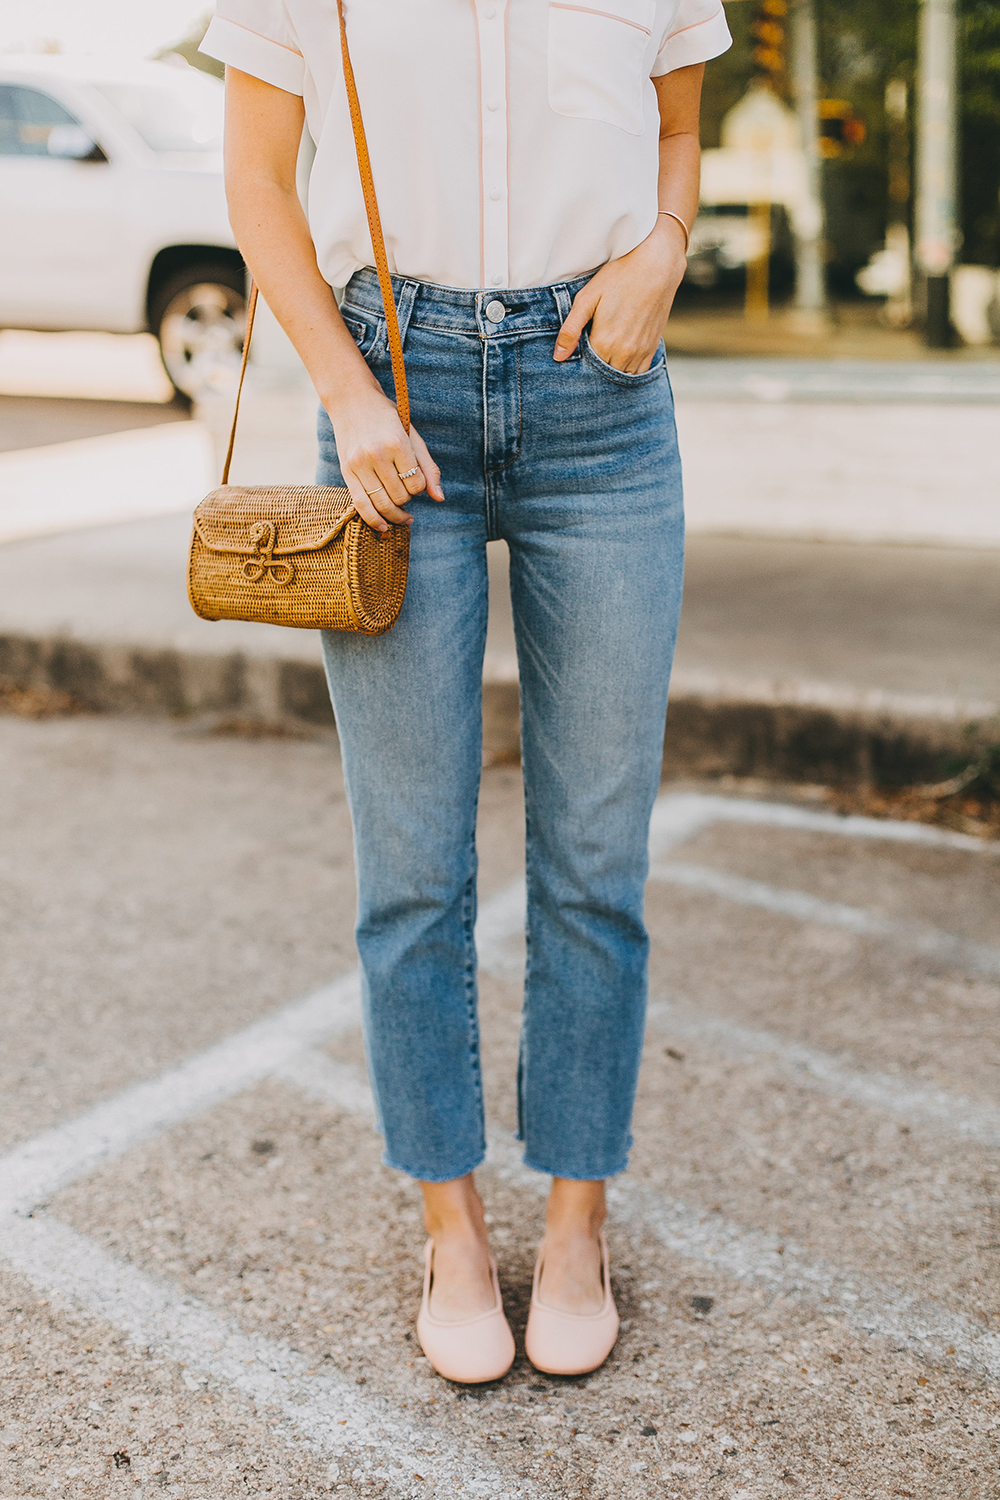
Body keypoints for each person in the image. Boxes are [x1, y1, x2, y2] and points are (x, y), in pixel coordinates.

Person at [201, 0, 731, 1384]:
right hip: (391, 379)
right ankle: (449, 1229)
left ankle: (574, 1227)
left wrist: (666, 247)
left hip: (603, 394)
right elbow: (257, 174)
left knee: (596, 861)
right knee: (414, 869)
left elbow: (679, 132)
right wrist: (349, 391)